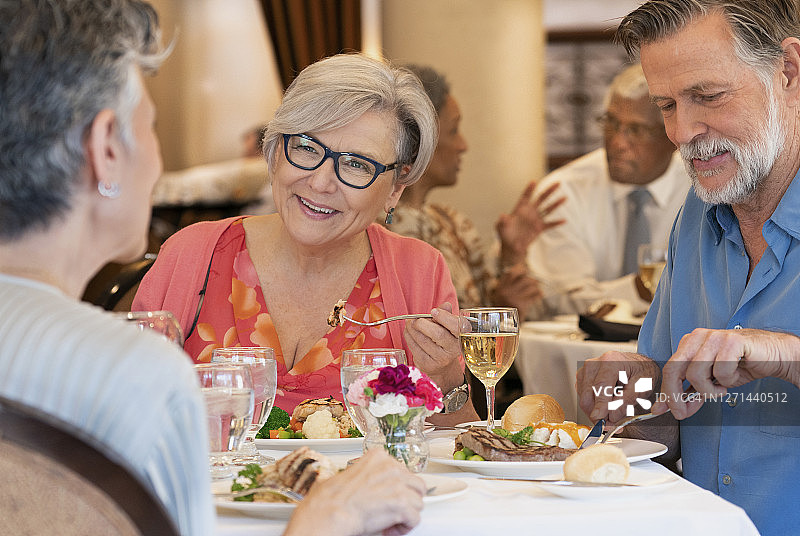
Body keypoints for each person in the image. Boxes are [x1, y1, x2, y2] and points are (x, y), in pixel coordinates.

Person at [0, 2, 427, 535]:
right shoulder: (137, 378)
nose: (322, 180)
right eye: (152, 127)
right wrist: (326, 520)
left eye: (356, 164)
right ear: (106, 149)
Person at [134, 53, 480, 425]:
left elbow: (455, 450)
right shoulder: (192, 254)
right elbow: (121, 414)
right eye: (306, 147)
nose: (319, 182)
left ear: (396, 188)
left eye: (356, 164)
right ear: (275, 150)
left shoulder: (418, 271)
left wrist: (446, 381)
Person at [576, 1, 800, 534]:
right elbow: (667, 425)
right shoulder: (698, 216)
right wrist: (627, 394)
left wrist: (786, 355)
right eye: (667, 105)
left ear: (789, 71)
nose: (681, 131)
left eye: (708, 96)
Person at [387, 64, 565, 315]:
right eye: (453, 130)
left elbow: (501, 315)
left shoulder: (453, 223)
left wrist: (512, 256)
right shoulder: (379, 227)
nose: (463, 145)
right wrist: (501, 307)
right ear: (420, 139)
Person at [526, 63, 690, 316]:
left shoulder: (702, 191)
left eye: (636, 130)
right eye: (611, 123)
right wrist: (643, 289)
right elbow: (563, 301)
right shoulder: (563, 192)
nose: (617, 142)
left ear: (673, 135)